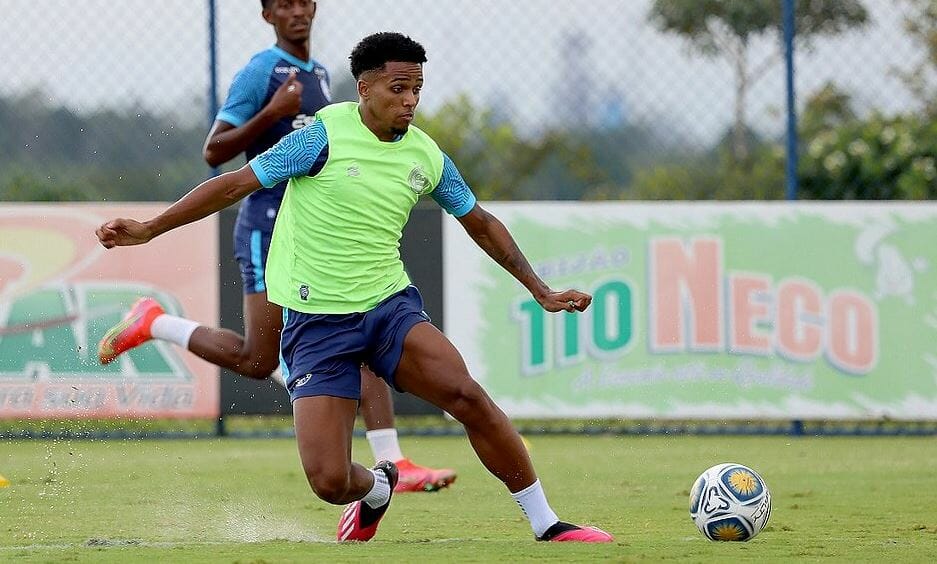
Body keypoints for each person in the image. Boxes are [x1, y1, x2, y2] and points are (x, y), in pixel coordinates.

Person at [95, 31, 613, 544]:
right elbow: (232, 184)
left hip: (389, 310)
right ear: (364, 88)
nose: (409, 100)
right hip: (316, 323)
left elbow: (479, 221)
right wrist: (149, 228)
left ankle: (547, 523)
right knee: (329, 481)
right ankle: (377, 487)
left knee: (467, 395)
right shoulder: (320, 137)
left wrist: (539, 289)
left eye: (417, 89)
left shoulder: (426, 156)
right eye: (398, 88)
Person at [96, 0, 455, 494]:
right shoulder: (262, 71)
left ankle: (393, 462)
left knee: (363, 326)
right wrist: (272, 111)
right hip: (268, 225)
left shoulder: (322, 73)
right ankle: (155, 321)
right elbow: (214, 151)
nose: (296, 12)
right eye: (282, 5)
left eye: (303, 2)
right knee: (257, 359)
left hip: (312, 230)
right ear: (267, 15)